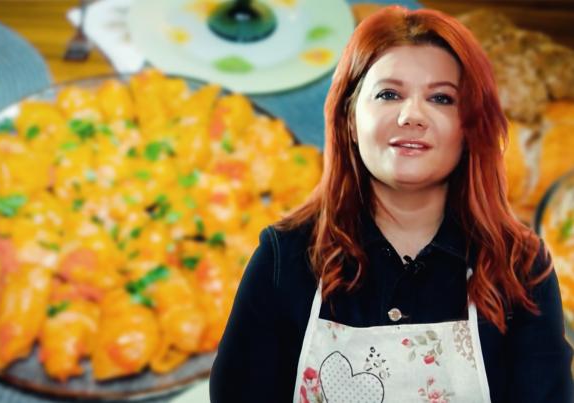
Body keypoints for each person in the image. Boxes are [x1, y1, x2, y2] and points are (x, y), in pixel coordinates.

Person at [209, 5, 574, 403]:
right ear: (349, 119)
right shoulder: (285, 257)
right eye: (388, 94)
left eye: (441, 98)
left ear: (470, 129)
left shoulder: (522, 267)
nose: (412, 115)